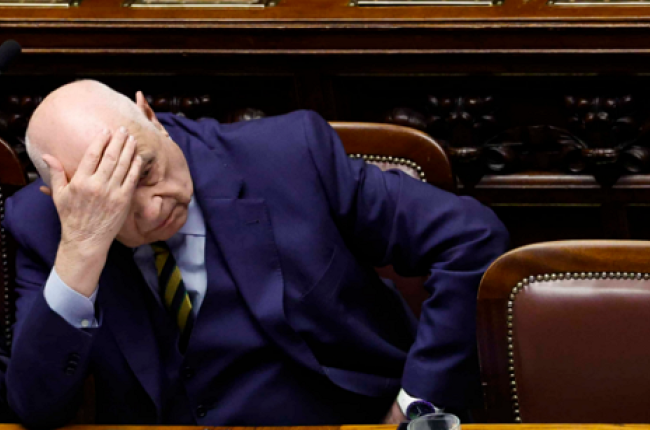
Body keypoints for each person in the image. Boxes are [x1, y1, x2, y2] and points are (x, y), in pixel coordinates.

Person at [3, 80, 509, 428]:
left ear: (151, 118)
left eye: (148, 171)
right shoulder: (43, 227)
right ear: (61, 197)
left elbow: (470, 238)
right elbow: (35, 409)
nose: (152, 207)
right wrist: (82, 249)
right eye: (113, 200)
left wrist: (414, 407)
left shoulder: (288, 154)